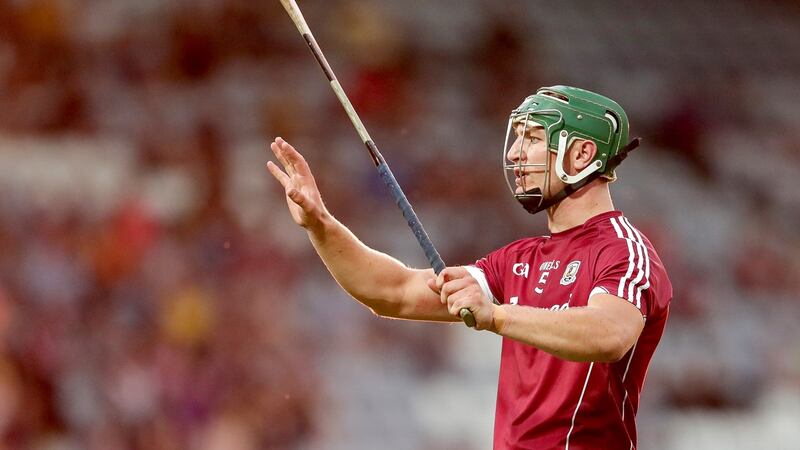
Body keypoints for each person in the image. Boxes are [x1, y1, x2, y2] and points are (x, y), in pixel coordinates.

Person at [267, 85, 672, 450]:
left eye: (532, 138)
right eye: (517, 137)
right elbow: (392, 293)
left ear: (582, 154)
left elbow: (609, 334)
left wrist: (496, 315)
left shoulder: (623, 251)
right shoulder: (518, 260)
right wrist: (320, 225)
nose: (514, 153)